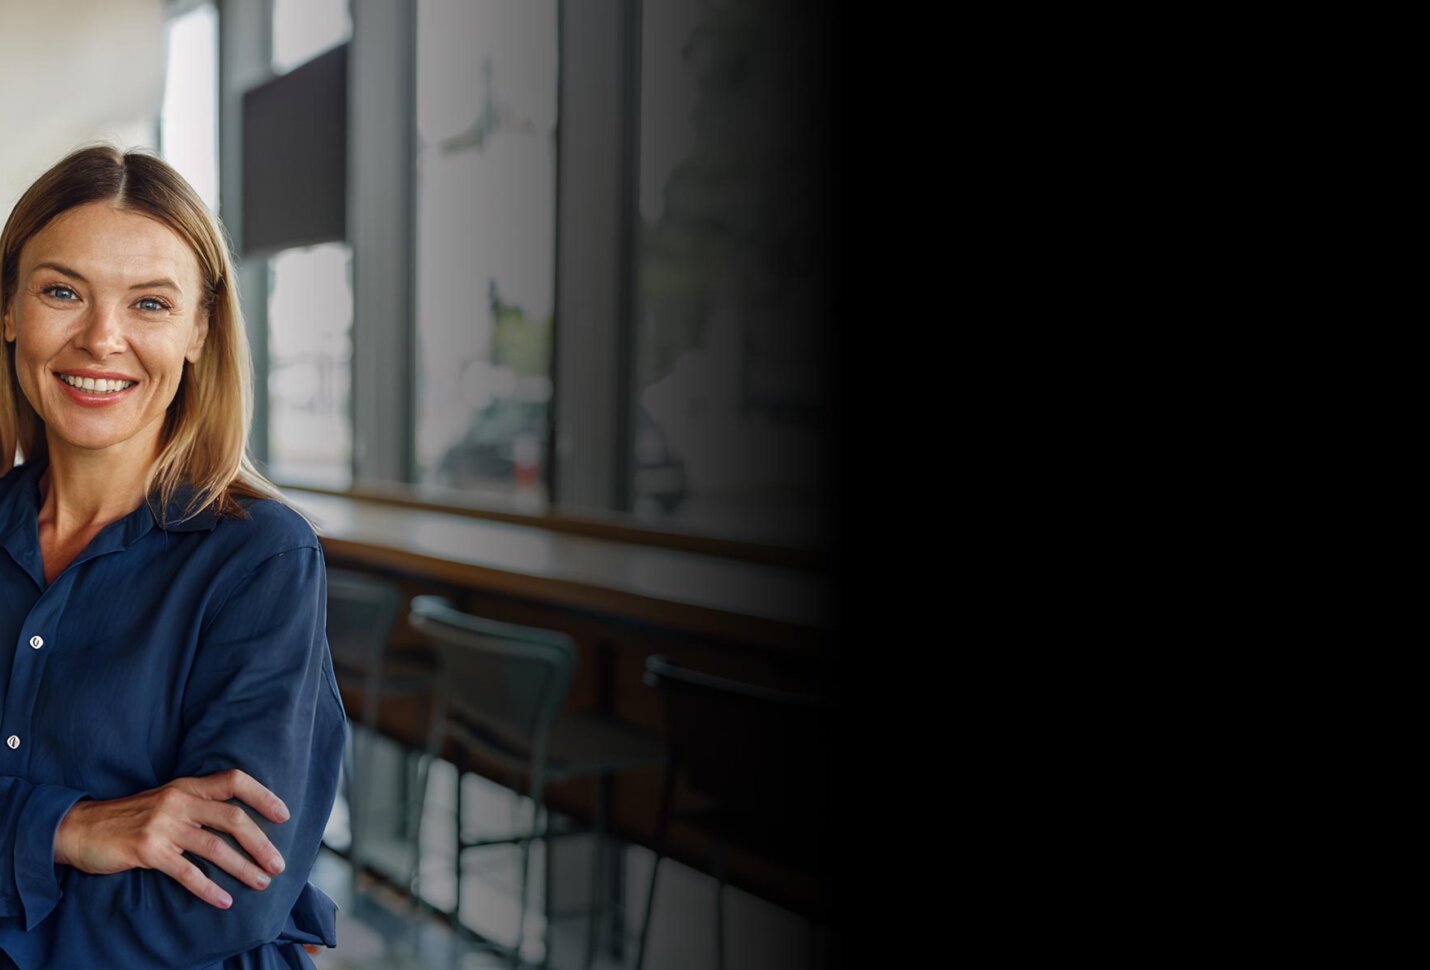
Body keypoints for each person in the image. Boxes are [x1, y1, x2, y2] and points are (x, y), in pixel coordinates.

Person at [0, 145, 345, 969]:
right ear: (9, 308)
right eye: (61, 291)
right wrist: (70, 829)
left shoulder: (261, 560)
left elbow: (219, 904)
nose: (101, 338)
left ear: (198, 331)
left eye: (150, 303)